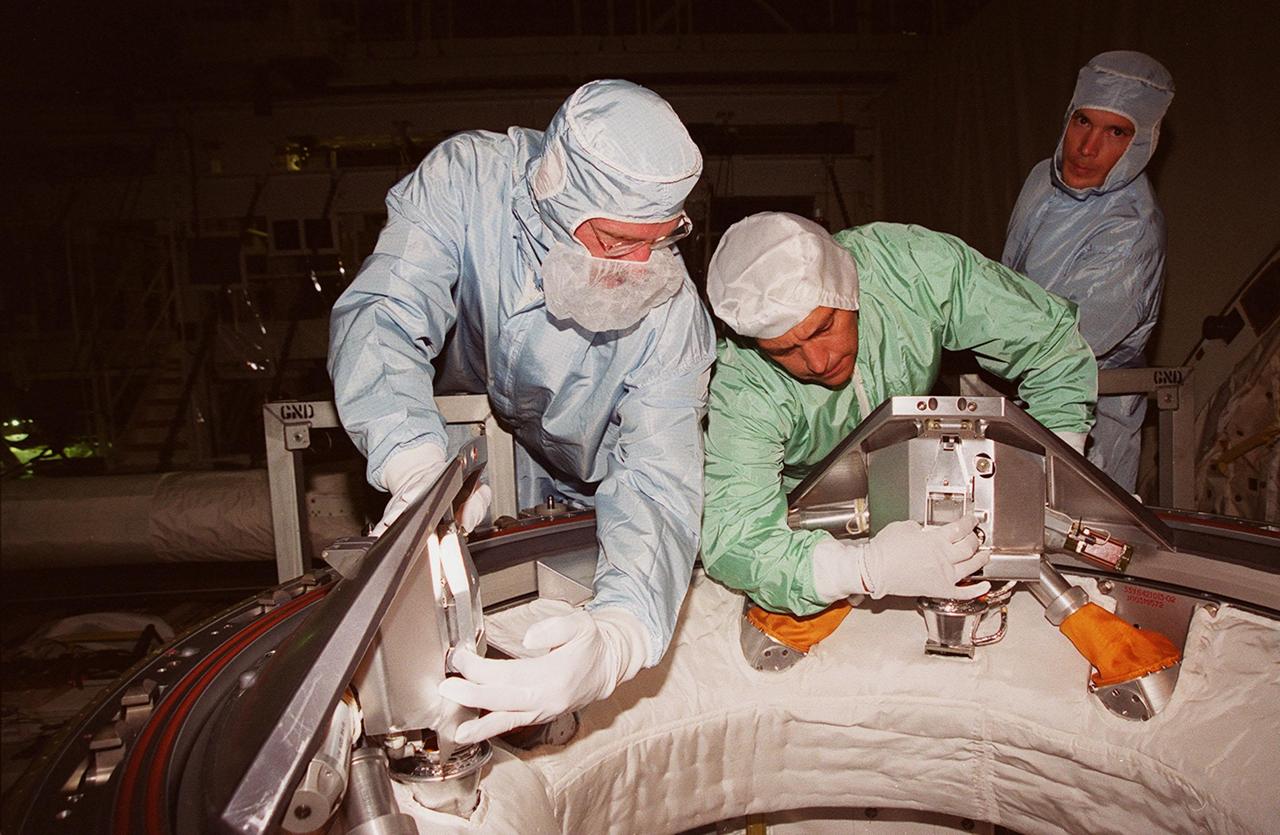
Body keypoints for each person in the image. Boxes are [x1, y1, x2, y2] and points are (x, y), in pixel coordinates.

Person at [327, 80, 715, 744]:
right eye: (620, 240)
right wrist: (416, 463)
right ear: (557, 194)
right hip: (460, 433)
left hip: (585, 478)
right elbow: (385, 313)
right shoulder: (469, 183)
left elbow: (658, 476)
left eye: (661, 237)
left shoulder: (671, 317)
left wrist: (619, 637)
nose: (642, 264)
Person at [701, 212, 1097, 623]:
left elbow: (1051, 344)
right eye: (784, 351)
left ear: (846, 288)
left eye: (824, 328)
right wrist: (861, 569)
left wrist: (1050, 483)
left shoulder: (911, 270)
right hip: (811, 515)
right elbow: (737, 538)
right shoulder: (745, 385)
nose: (817, 362)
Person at [1003, 51, 1175, 492]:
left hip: (1090, 418)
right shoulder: (1043, 178)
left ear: (1141, 143)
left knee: (1082, 539)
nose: (1088, 148)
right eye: (1083, 122)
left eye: (1115, 131)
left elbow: (1069, 342)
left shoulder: (1132, 227)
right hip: (1016, 395)